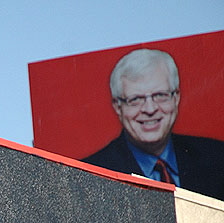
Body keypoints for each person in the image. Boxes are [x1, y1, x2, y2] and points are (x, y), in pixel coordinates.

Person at [83, 49, 224, 202]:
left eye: (160, 95)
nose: (150, 109)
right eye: (135, 99)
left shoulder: (218, 157)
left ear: (176, 98)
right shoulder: (91, 177)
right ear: (118, 106)